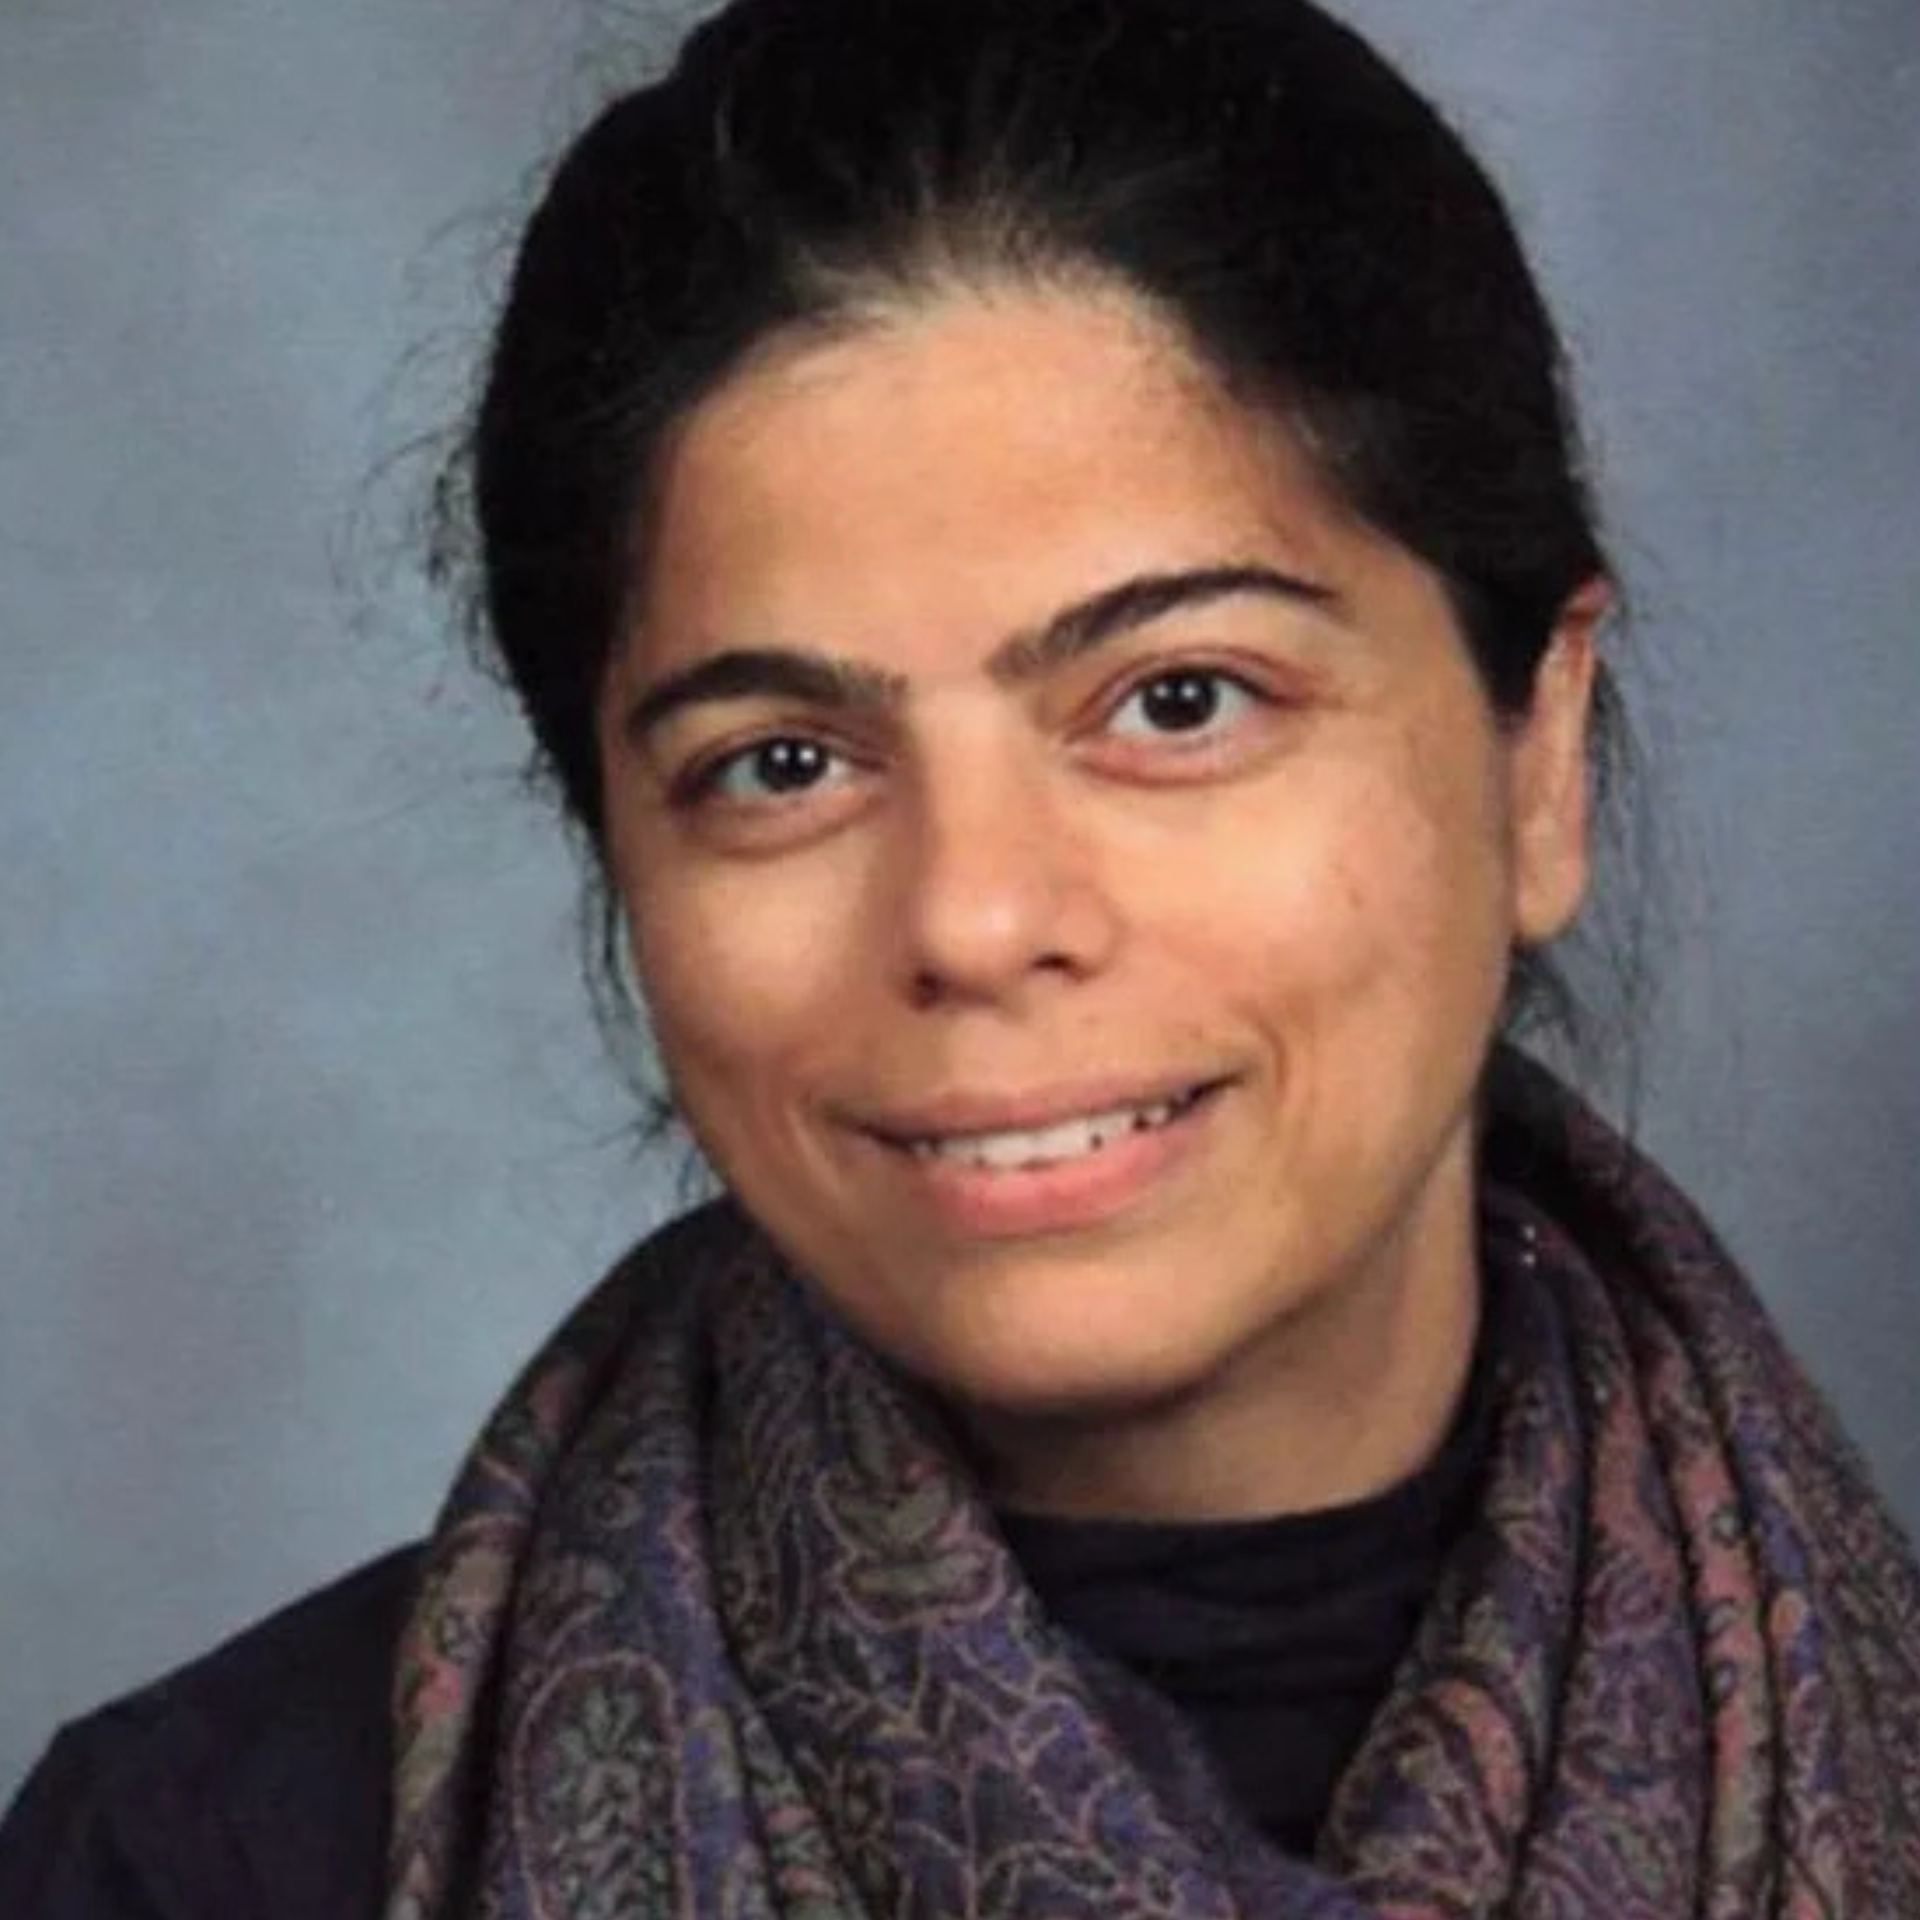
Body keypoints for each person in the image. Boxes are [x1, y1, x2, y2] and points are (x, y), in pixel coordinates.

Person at [5, 0, 1918, 1911]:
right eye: (784, 764)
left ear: (1538, 756)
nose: (976, 918)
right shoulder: (202, 1862)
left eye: (1177, 700)